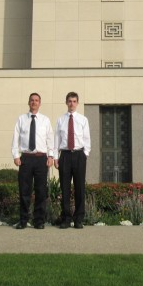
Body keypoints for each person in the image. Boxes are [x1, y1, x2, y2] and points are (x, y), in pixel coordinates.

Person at [11, 92, 54, 229]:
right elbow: (15, 139)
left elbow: (50, 139)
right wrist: (16, 156)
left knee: (41, 191)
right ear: (28, 102)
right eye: (32, 100)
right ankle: (23, 221)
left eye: (36, 100)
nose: (34, 102)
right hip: (26, 159)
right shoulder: (21, 119)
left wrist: (51, 156)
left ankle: (39, 221)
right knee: (24, 191)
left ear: (40, 103)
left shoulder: (45, 120)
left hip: (41, 159)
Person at [54, 91, 91, 229]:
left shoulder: (83, 120)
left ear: (77, 103)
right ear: (66, 102)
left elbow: (87, 138)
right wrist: (56, 157)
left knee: (79, 188)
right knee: (64, 188)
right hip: (65, 155)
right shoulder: (60, 120)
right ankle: (66, 218)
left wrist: (85, 154)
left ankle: (78, 219)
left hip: (79, 155)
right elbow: (56, 139)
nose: (72, 104)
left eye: (74, 101)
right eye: (69, 101)